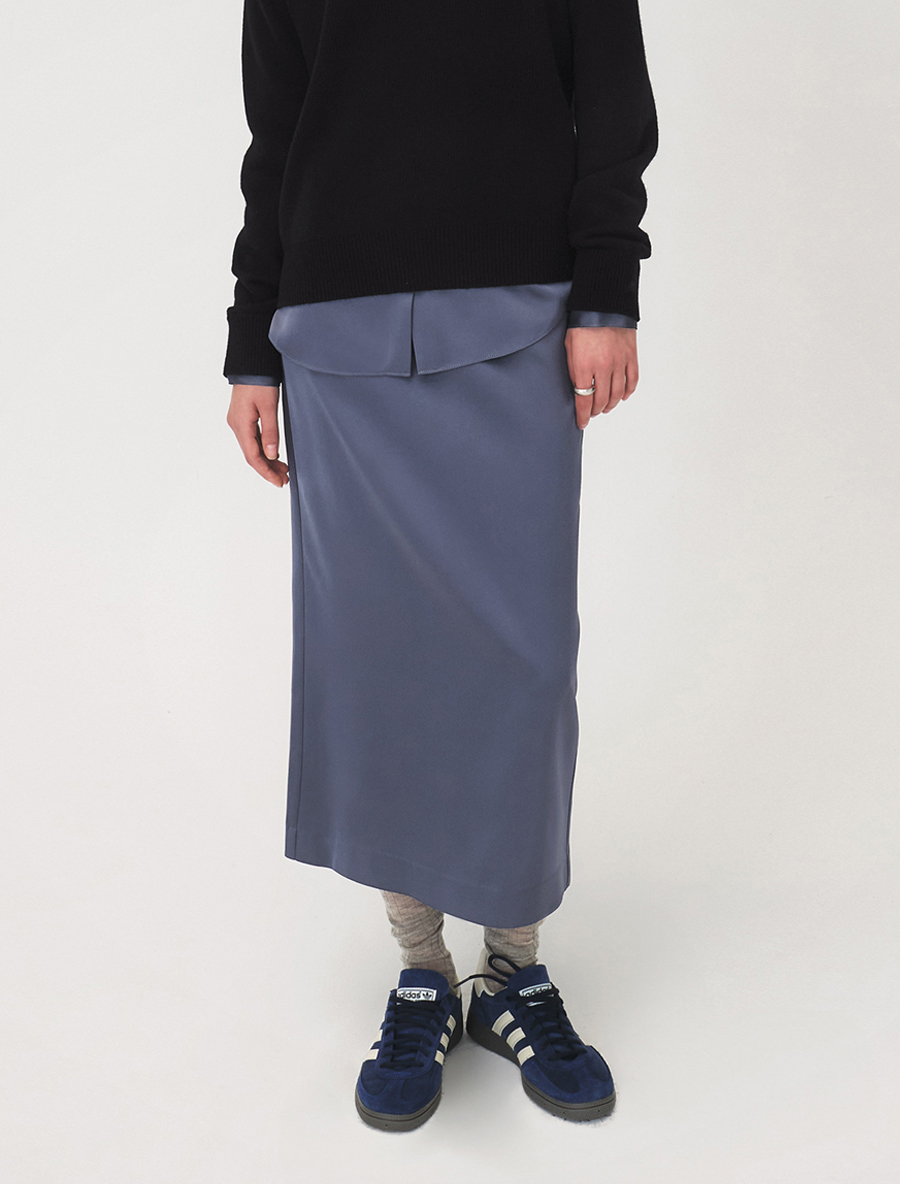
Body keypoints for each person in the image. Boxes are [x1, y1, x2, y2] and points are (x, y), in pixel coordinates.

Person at [224, 0, 657, 1131]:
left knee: (524, 662)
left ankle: (513, 968)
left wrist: (607, 285)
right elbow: (277, 138)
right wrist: (249, 346)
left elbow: (611, 97)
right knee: (378, 664)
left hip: (519, 314)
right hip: (334, 334)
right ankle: (422, 969)